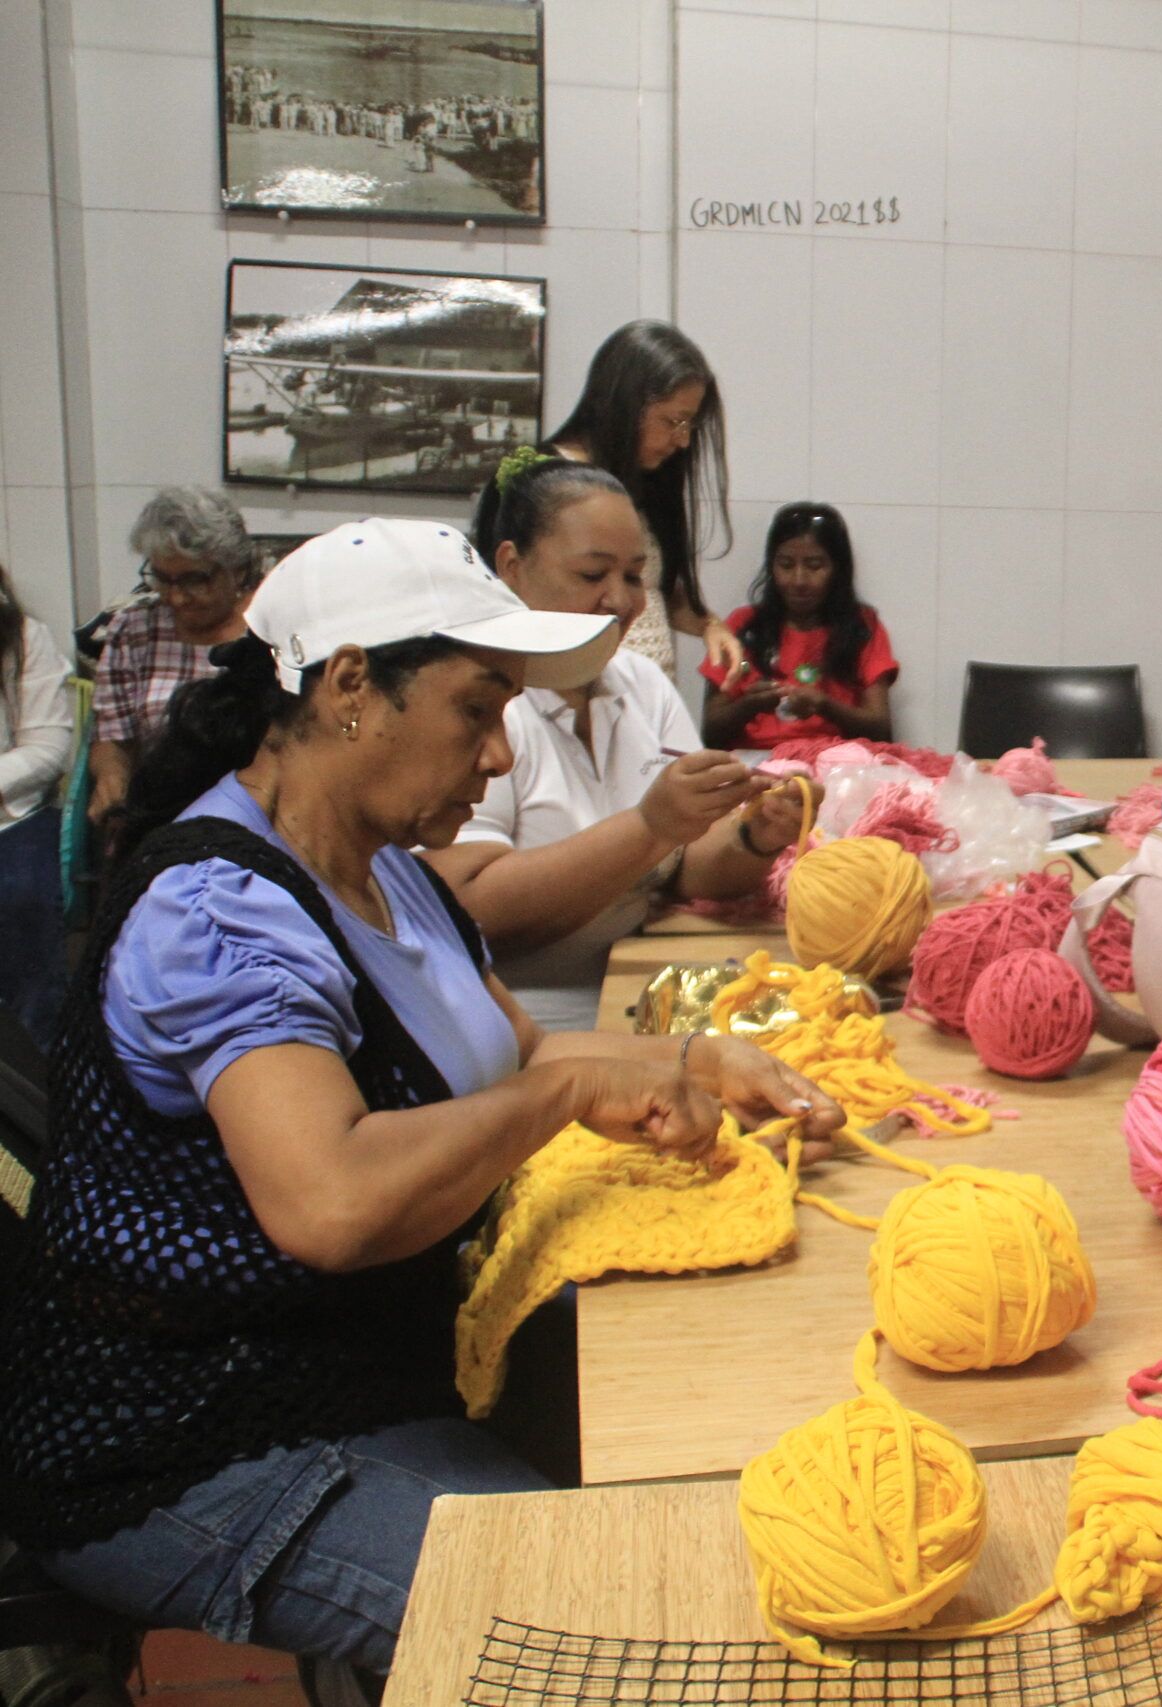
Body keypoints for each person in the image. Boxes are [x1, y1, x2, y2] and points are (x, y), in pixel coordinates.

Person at [0, 518, 845, 1675]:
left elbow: (517, 1060)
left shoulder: (387, 866)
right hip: (195, 1439)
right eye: (475, 711)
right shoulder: (218, 911)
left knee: (709, 1461)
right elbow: (332, 1201)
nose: (499, 757)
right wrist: (571, 1097)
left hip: (367, 1367)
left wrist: (699, 1064)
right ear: (352, 688)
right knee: (621, 1629)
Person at [429, 453, 804, 1032]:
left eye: (633, 576)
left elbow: (683, 869)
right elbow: (465, 906)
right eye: (591, 575)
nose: (620, 600)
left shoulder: (641, 685)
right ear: (512, 566)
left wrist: (755, 837)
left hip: (631, 991)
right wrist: (650, 825)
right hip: (516, 1022)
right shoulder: (478, 705)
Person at [494, 320, 747, 683]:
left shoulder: (651, 480)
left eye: (690, 425)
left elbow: (660, 587)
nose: (683, 441)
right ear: (625, 404)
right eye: (674, 421)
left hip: (641, 701)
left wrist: (710, 624)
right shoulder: (542, 480)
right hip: (563, 697)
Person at [89, 487, 258, 825]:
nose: (177, 598)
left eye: (195, 580)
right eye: (163, 579)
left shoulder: (268, 627)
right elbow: (112, 737)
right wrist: (113, 779)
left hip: (257, 810)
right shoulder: (135, 627)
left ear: (236, 570)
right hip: (160, 811)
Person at [700, 502, 897, 751]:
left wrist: (825, 706)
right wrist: (750, 705)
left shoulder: (862, 627)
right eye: (786, 565)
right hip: (753, 769)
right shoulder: (742, 625)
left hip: (834, 767)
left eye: (814, 566)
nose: (799, 580)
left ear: (838, 570)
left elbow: (881, 730)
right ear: (771, 566)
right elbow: (710, 733)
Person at [0, 561, 74, 1045]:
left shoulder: (24, 637)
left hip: (11, 818)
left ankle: (40, 1071)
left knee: (21, 895)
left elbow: (47, 750)